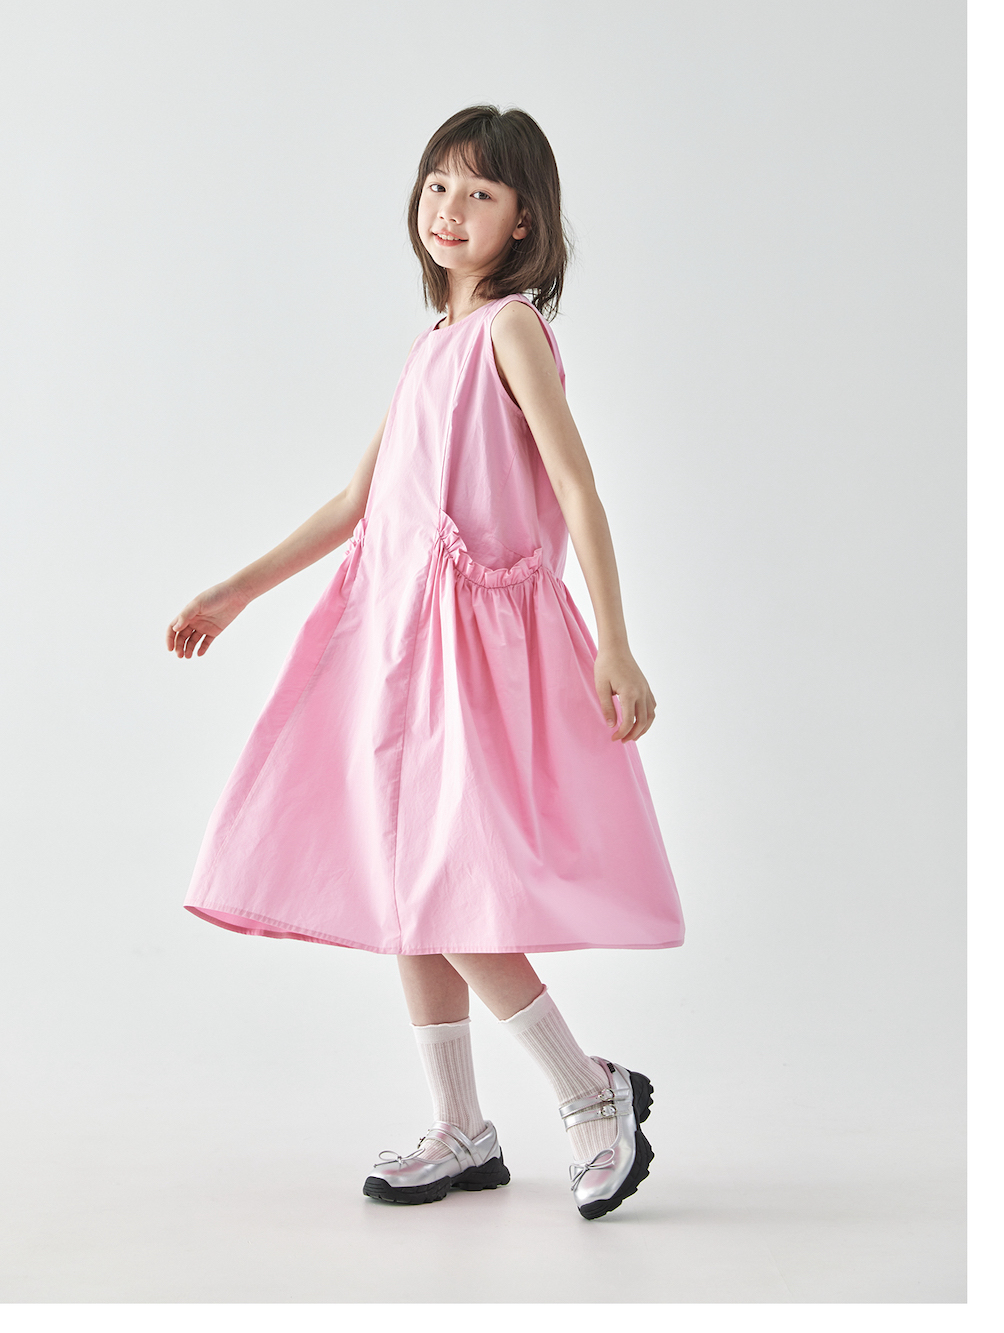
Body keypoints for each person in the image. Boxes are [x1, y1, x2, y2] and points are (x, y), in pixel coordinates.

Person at [166, 104, 685, 1220]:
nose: (449, 208)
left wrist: (615, 640)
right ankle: (460, 1129)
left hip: (473, 658)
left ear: (523, 222)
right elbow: (357, 503)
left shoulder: (508, 331)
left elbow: (577, 486)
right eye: (438, 184)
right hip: (396, 649)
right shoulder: (428, 349)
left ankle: (590, 1093)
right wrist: (238, 590)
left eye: (480, 193)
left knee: (451, 887)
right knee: (406, 884)